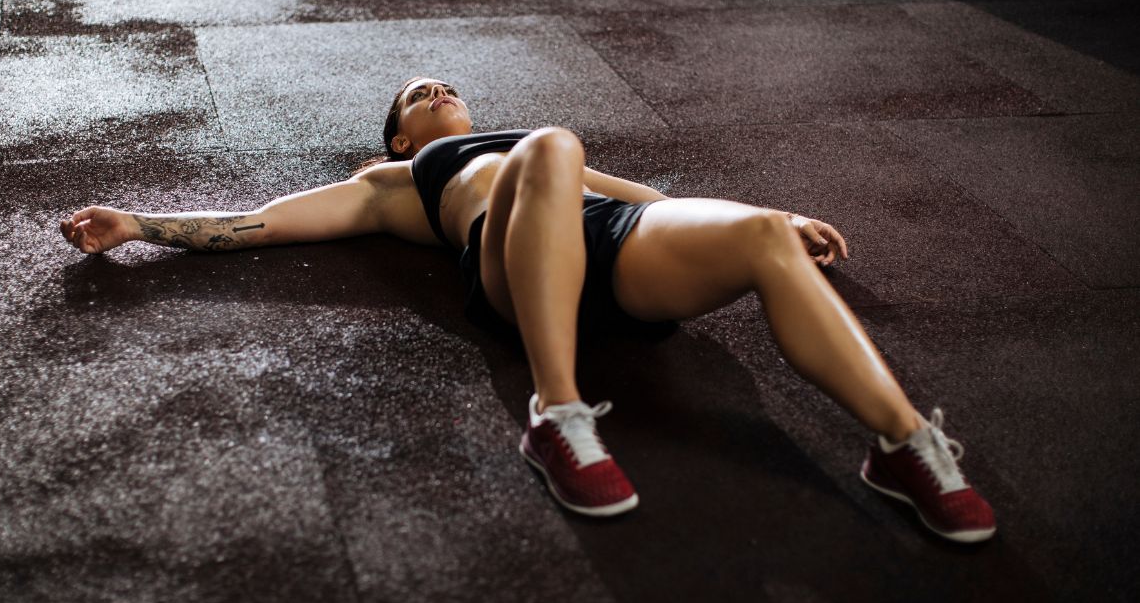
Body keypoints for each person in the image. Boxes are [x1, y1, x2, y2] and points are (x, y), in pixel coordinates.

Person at [59, 76, 996, 543]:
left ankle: (902, 442)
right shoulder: (392, 180)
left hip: (613, 247)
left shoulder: (544, 150)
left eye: (444, 86)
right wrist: (137, 222)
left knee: (753, 233)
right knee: (551, 145)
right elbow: (263, 224)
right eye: (418, 96)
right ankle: (558, 412)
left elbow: (654, 201)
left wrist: (780, 217)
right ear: (397, 134)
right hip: (512, 271)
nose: (438, 93)